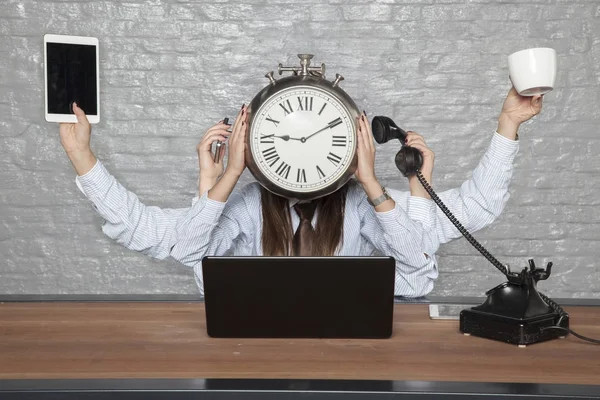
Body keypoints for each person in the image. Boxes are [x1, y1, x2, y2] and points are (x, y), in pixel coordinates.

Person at [59, 86, 542, 297]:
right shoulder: (247, 206)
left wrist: (507, 125)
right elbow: (182, 246)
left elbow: (430, 256)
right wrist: (225, 177)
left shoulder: (366, 206)